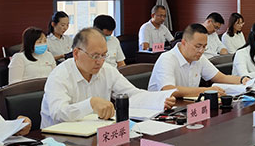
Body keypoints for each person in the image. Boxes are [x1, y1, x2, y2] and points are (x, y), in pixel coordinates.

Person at [40, 28, 175, 127]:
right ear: (76, 53)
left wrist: (159, 99)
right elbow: (58, 113)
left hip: (96, 132)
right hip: (60, 140)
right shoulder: (59, 75)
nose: (100, 61)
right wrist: (90, 104)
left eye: (104, 55)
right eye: (95, 56)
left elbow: (131, 94)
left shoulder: (106, 70)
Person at [149, 23, 250, 98]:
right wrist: (206, 90)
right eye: (198, 46)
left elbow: (220, 77)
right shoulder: (167, 58)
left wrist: (242, 80)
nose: (201, 51)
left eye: (204, 47)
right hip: (160, 111)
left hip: (184, 106)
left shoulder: (199, 58)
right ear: (184, 43)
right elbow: (169, 89)